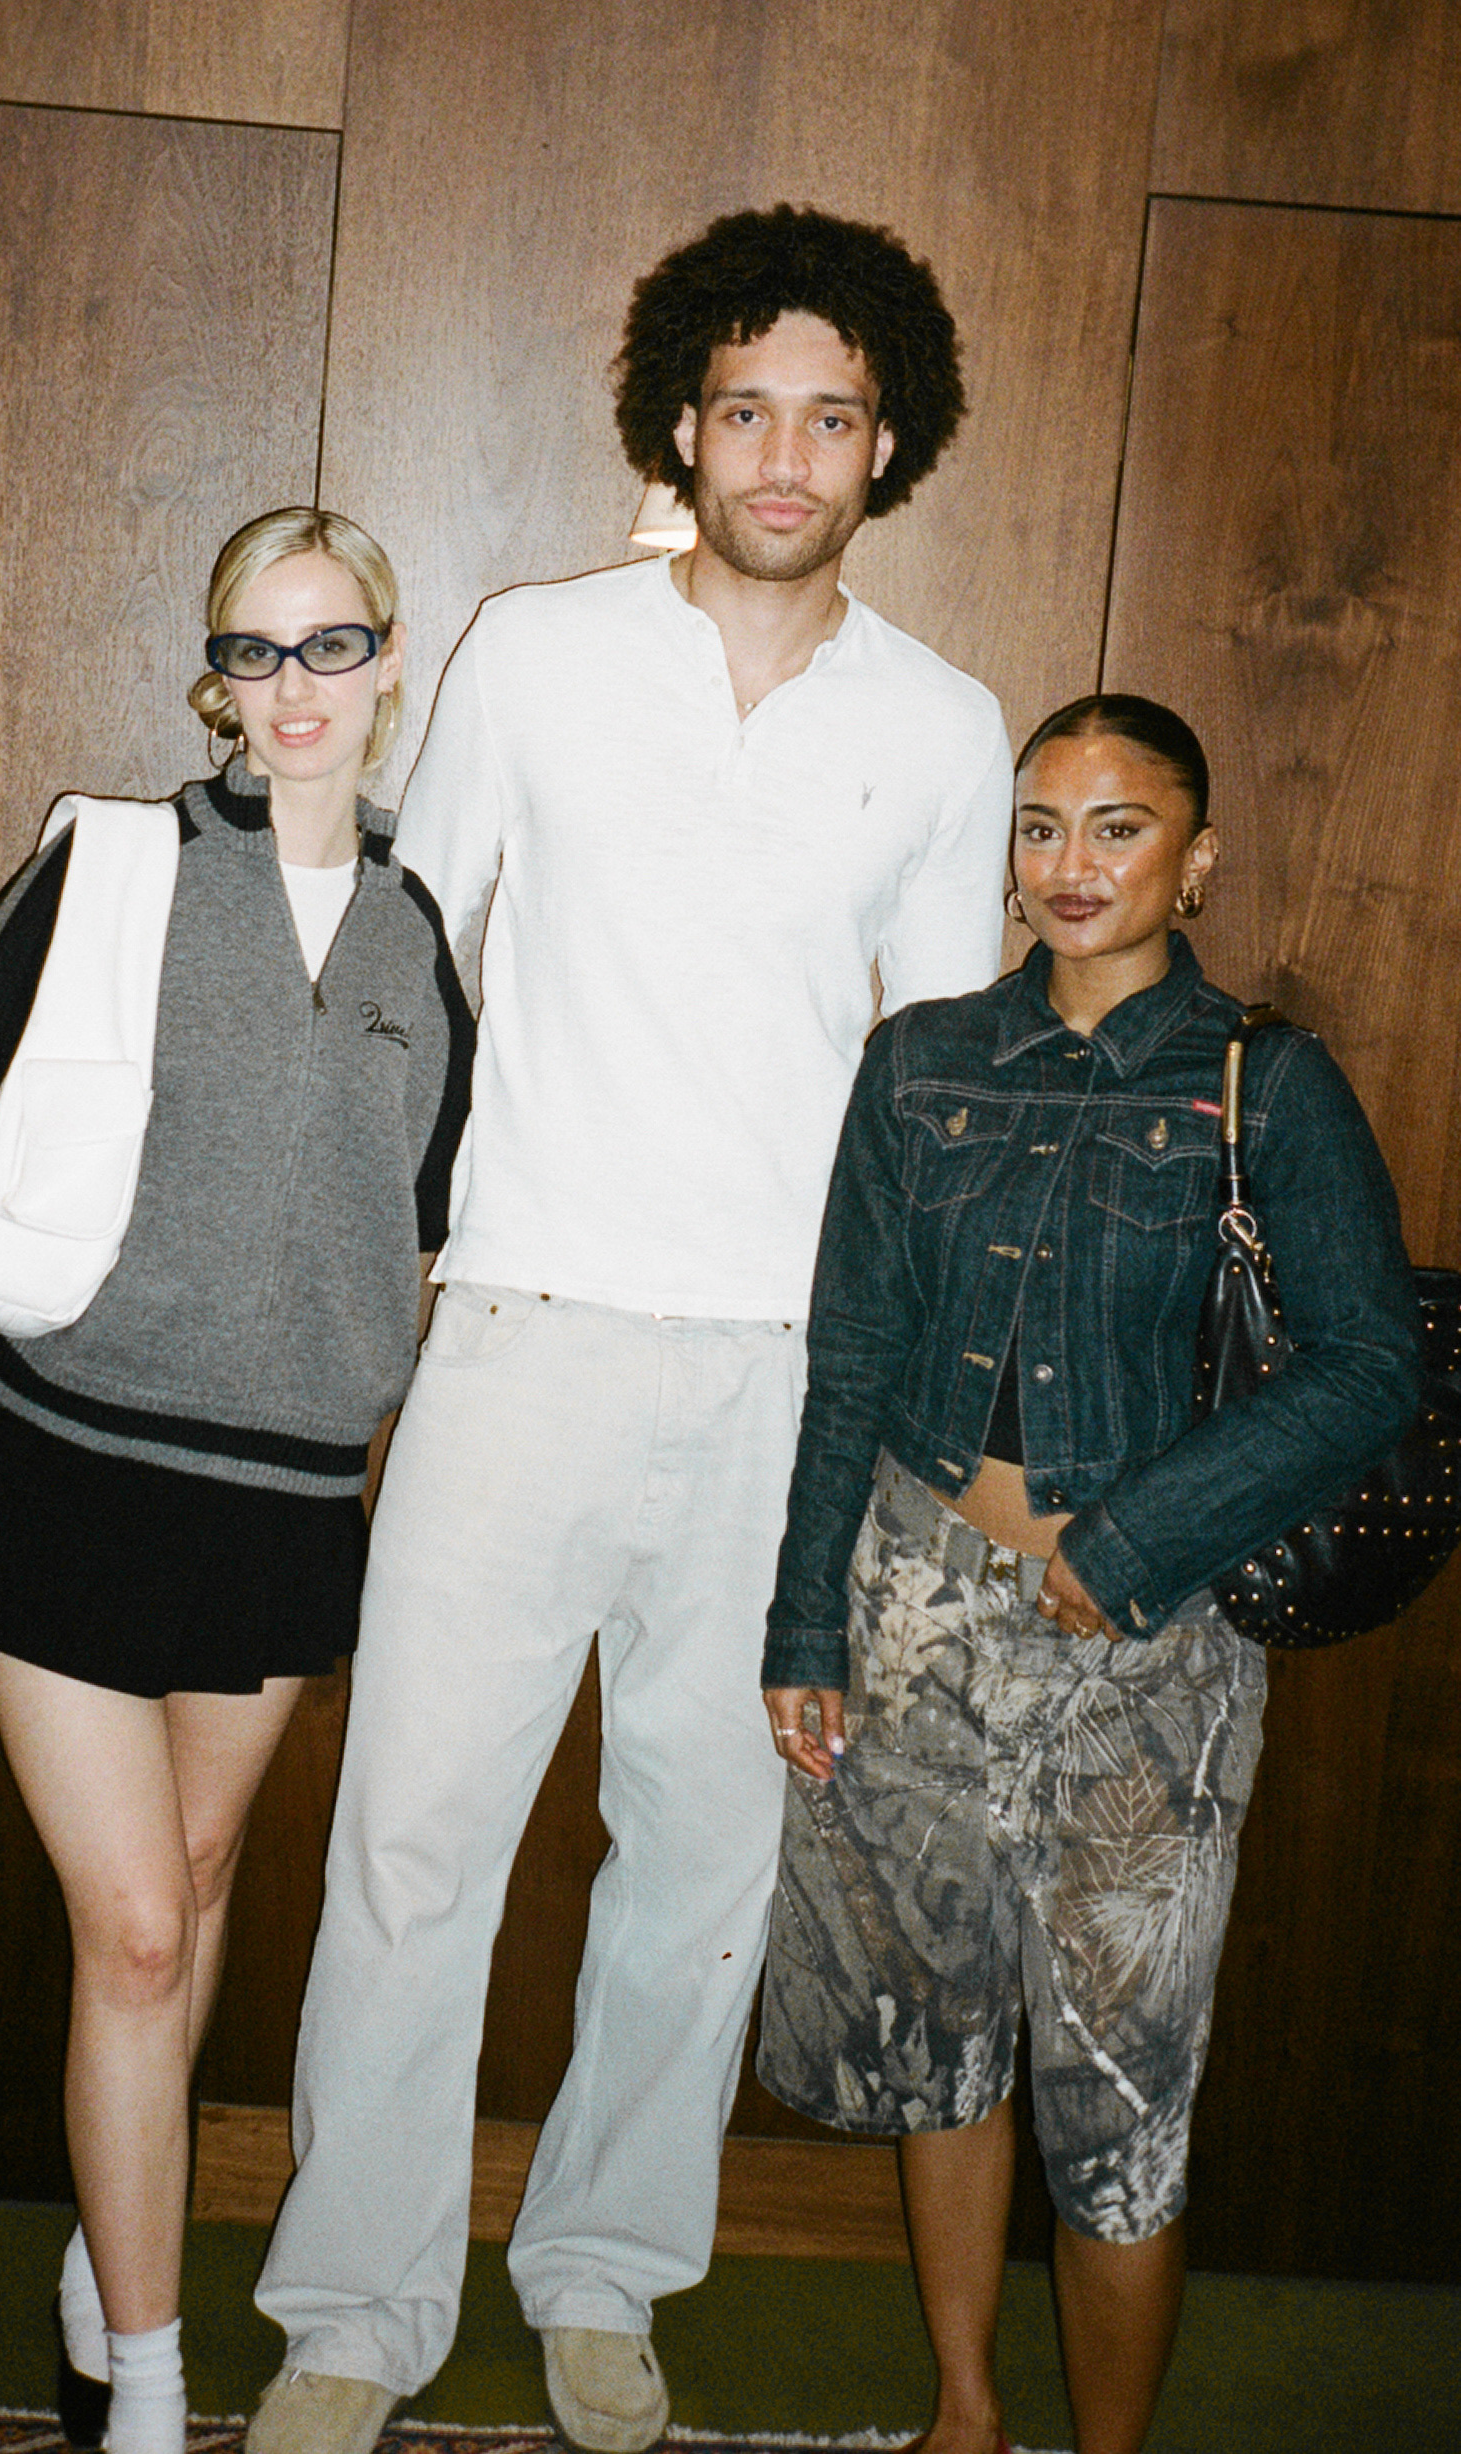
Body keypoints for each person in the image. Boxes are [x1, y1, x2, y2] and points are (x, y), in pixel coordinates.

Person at [248, 202, 1013, 2454]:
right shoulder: (542, 649)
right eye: (746, 408)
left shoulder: (942, 727)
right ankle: (351, 2313)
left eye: (831, 418)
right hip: (523, 1330)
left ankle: (602, 2273)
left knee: (700, 1858)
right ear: (682, 426)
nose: (785, 453)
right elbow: (407, 963)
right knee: (412, 1839)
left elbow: (936, 1090)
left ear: (887, 448)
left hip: (785, 1373)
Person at [0, 507, 472, 2454]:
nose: (296, 687)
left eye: (332, 644)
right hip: (68, 1472)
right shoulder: (117, 872)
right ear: (219, 678)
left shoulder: (421, 932)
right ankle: (151, 2373)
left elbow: (431, 1213)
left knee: (187, 1900)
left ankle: (96, 2262)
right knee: (128, 1932)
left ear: (387, 662)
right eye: (256, 651)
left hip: (283, 1505)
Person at [756, 693, 1422, 2454]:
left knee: (1118, 2090)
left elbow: (1370, 1363)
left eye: (1118, 827)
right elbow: (850, 1358)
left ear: (1193, 858)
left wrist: (1134, 1542)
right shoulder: (919, 1062)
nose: (1071, 862)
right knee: (940, 2044)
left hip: (1147, 1651)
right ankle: (964, 2410)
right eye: (1041, 824)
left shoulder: (1262, 1079)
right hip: (913, 1611)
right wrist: (805, 1617)